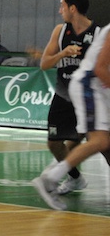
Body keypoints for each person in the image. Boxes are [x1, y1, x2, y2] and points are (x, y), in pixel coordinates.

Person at [32, 23, 110, 210]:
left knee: (101, 141)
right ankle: (51, 178)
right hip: (88, 85)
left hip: (95, 87)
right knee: (99, 141)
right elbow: (100, 69)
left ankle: (54, 177)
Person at [39, 0, 99, 195]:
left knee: (102, 145)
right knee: (54, 143)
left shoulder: (99, 34)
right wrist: (63, 53)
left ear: (72, 8)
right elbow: (44, 64)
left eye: (62, 6)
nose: (60, 11)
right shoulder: (60, 31)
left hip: (89, 98)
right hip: (63, 95)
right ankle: (75, 179)